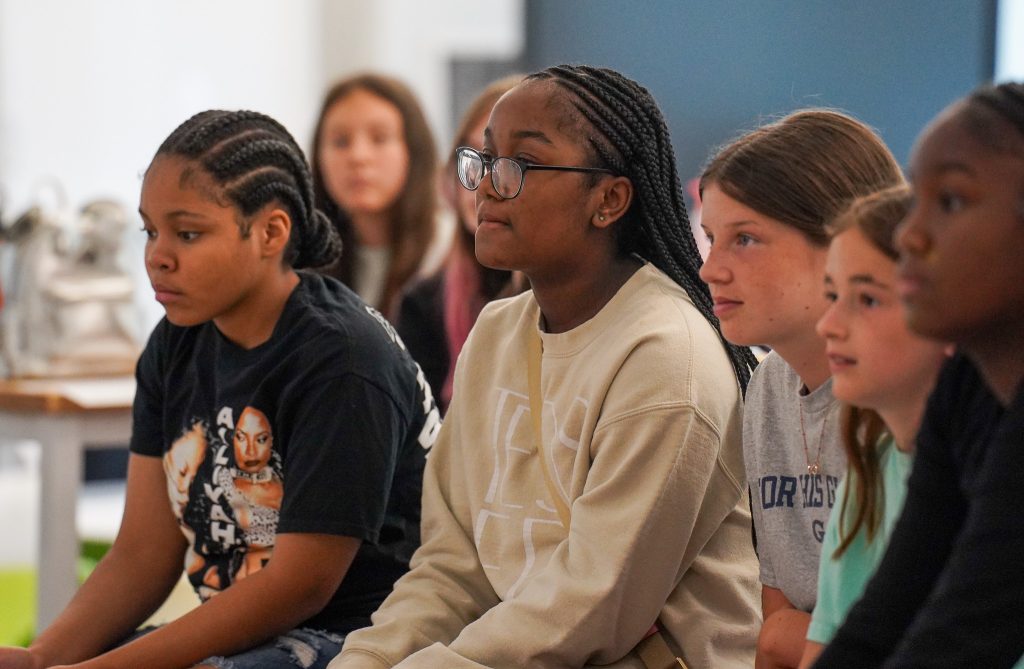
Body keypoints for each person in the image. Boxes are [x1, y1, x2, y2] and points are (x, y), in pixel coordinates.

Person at [328, 64, 761, 669]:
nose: (486, 186)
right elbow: (452, 569)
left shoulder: (667, 357)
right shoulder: (496, 333)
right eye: (484, 160)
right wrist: (369, 660)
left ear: (608, 200)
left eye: (522, 165)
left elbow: (589, 606)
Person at [0, 109, 439, 669]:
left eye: (187, 234)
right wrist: (42, 658)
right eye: (150, 231)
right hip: (259, 633)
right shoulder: (174, 343)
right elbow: (141, 554)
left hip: (372, 634)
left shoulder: (344, 359)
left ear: (271, 233)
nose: (157, 256)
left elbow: (299, 588)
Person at [812, 82, 1024, 668]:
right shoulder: (967, 391)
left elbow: (961, 641)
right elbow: (882, 622)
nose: (910, 234)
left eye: (950, 201)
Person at [697, 110, 904, 669]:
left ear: (841, 244)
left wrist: (786, 638)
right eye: (711, 239)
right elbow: (776, 620)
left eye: (744, 239)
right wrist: (785, 638)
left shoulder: (907, 395)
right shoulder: (768, 386)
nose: (710, 269)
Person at [795, 186, 948, 668]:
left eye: (867, 299)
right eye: (832, 295)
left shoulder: (995, 482)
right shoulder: (869, 468)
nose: (828, 325)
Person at [396, 74, 526, 411]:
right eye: (475, 157)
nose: (482, 183)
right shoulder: (424, 305)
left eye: (507, 162)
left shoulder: (567, 302)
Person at [311, 74, 442, 316]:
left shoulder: (448, 253)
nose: (358, 157)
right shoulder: (302, 263)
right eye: (340, 142)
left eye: (379, 138)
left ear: (414, 150)